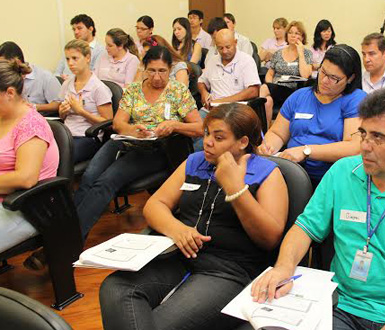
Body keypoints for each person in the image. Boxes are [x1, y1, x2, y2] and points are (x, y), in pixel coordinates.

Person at [251, 87, 385, 329]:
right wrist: (283, 267)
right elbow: (304, 228)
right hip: (340, 307)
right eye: (363, 134)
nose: (365, 146)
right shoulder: (342, 172)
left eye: (378, 137)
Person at [99, 103, 288, 330]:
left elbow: (269, 238)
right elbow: (155, 205)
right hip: (179, 255)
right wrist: (176, 229)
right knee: (116, 287)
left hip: (227, 270)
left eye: (219, 138)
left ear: (242, 142)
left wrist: (236, 189)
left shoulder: (267, 173)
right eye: (207, 133)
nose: (207, 142)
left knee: (158, 325)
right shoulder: (195, 161)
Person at [74, 46, 202, 237]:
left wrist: (174, 125)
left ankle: (70, 242)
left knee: (106, 181)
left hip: (156, 148)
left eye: (162, 71)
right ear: (144, 68)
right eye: (151, 70)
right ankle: (65, 234)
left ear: (170, 69)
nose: (157, 77)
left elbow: (199, 128)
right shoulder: (134, 90)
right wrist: (133, 129)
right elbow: (118, 123)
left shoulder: (177, 91)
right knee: (88, 177)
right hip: (127, 140)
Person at [257, 45, 365, 186]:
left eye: (334, 78)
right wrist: (268, 147)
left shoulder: (355, 100)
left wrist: (306, 151)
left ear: (350, 78)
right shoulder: (299, 96)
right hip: (291, 174)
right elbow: (278, 133)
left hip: (333, 179)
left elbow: (354, 147)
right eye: (323, 72)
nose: (325, 81)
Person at [0, 59, 59, 259]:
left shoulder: (31, 125)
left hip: (26, 208)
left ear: (9, 93)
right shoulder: (2, 118)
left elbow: (26, 178)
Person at [58, 39, 113, 163]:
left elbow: (108, 122)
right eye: (67, 59)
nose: (70, 63)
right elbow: (62, 117)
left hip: (87, 137)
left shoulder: (98, 88)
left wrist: (81, 112)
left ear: (87, 58)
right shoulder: (67, 84)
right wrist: (62, 112)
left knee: (61, 158)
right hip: (67, 135)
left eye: (75, 58)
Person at [259, 21, 313, 122]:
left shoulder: (307, 53)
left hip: (294, 90)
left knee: (264, 88)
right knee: (267, 100)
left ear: (302, 37)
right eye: (290, 32)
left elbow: (305, 74)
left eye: (297, 33)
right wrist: (271, 85)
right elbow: (270, 73)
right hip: (277, 87)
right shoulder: (278, 53)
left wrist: (300, 53)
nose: (293, 35)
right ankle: (264, 131)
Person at [197, 29, 260, 106]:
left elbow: (253, 91)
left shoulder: (246, 61)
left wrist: (222, 102)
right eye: (220, 48)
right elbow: (201, 82)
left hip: (236, 107)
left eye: (228, 47)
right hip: (212, 107)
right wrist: (204, 93)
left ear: (235, 43)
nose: (224, 51)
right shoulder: (212, 61)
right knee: (194, 118)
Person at [0, 42, 61, 113]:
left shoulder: (44, 76)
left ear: (18, 62)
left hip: (41, 117)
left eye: (4, 64)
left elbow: (58, 103)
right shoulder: (4, 77)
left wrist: (34, 107)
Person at [55, 14, 105, 80]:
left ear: (90, 29)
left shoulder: (100, 50)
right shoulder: (70, 49)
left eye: (79, 28)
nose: (76, 32)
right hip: (63, 85)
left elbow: (94, 75)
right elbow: (57, 72)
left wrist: (69, 79)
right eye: (74, 29)